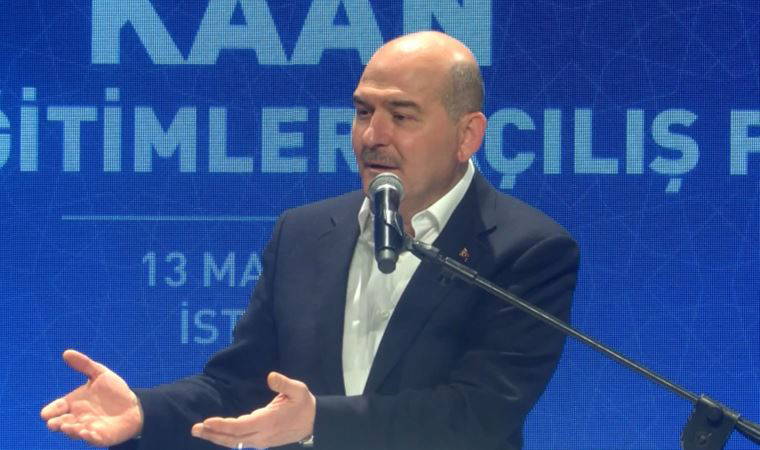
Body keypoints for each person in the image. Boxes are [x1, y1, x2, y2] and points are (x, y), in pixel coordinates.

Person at [41, 31, 579, 450]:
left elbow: (477, 413)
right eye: (364, 112)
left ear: (467, 135)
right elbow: (242, 385)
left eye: (401, 115)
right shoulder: (302, 233)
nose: (373, 136)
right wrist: (144, 411)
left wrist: (319, 419)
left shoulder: (526, 249)